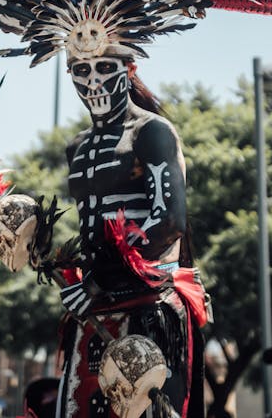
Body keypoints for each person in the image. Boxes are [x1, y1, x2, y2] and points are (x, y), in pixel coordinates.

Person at [56, 50, 206, 418]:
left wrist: (99, 280)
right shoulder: (76, 147)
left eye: (105, 69)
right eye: (81, 70)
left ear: (130, 69)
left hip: (149, 304)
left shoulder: (151, 131)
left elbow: (169, 220)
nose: (93, 81)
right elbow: (87, 228)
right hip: (93, 308)